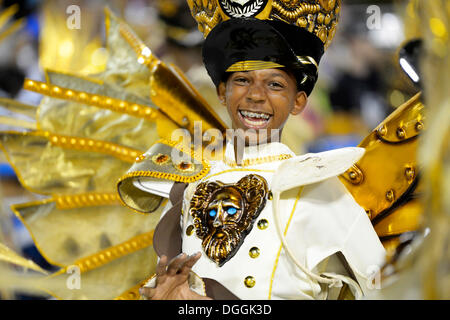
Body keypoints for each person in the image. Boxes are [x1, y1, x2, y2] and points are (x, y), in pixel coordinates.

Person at [118, 0, 386, 300]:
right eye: (243, 80)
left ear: (298, 102)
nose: (256, 96)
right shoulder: (187, 184)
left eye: (274, 85)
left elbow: (385, 290)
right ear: (223, 92)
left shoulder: (318, 190)